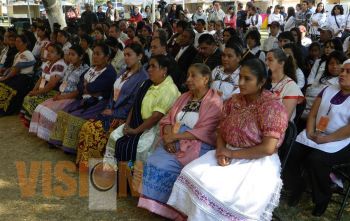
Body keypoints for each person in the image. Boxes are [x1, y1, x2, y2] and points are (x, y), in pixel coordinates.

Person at [167, 59, 288, 221]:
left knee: (224, 194)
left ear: (261, 82)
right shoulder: (234, 101)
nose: (241, 83)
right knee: (191, 173)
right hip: (228, 150)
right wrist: (221, 150)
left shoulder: (272, 107)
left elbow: (267, 148)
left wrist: (230, 153)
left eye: (248, 79)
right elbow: (220, 131)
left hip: (256, 160)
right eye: (241, 78)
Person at [138, 63, 223, 220]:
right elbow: (168, 119)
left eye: (193, 76)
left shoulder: (214, 101)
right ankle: (158, 206)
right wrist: (169, 137)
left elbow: (205, 130)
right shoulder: (185, 96)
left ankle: (173, 210)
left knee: (165, 166)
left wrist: (175, 137)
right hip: (174, 139)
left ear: (205, 79)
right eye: (188, 75)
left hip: (196, 144)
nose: (188, 79)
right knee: (153, 161)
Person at [285, 59, 350, 217]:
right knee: (291, 151)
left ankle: (322, 198)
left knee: (316, 160)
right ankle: (297, 185)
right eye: (342, 70)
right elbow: (313, 114)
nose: (342, 73)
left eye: (348, 72)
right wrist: (309, 132)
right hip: (316, 133)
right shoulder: (328, 89)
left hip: (341, 140)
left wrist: (326, 139)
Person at [76, 43, 148, 169]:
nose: (126, 58)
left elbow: (133, 103)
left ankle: (96, 166)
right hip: (110, 111)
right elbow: (112, 94)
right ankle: (85, 164)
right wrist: (108, 108)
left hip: (124, 117)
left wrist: (114, 113)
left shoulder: (142, 78)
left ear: (139, 56)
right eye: (124, 55)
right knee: (87, 126)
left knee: (93, 130)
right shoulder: (122, 71)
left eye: (129, 55)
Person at [103, 55, 180, 169]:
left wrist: (135, 131)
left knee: (140, 148)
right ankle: (115, 173)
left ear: (164, 70)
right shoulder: (146, 83)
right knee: (115, 136)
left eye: (153, 66)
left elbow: (155, 117)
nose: (149, 69)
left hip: (153, 128)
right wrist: (127, 125)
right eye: (149, 66)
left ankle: (132, 180)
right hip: (136, 122)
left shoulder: (169, 90)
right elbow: (135, 106)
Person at [49, 43, 116, 154]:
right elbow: (80, 86)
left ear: (107, 57)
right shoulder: (91, 69)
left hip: (98, 103)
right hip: (85, 99)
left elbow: (93, 87)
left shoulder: (110, 72)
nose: (94, 56)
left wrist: (87, 86)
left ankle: (70, 148)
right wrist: (87, 87)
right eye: (94, 53)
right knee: (63, 113)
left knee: (75, 118)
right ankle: (57, 141)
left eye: (98, 54)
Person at [29, 45, 90, 141]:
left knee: (47, 112)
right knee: (39, 108)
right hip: (61, 94)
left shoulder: (85, 70)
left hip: (71, 98)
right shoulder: (70, 66)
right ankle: (41, 133)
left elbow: (78, 92)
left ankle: (50, 136)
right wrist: (59, 94)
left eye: (73, 54)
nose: (69, 57)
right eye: (69, 54)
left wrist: (62, 97)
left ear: (81, 56)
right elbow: (64, 82)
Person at [20, 44, 67, 126]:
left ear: (59, 55)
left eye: (52, 52)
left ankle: (35, 123)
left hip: (54, 92)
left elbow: (52, 84)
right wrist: (34, 90)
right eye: (48, 51)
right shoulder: (49, 63)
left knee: (33, 100)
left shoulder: (59, 65)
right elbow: (41, 79)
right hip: (45, 90)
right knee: (28, 96)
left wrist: (37, 93)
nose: (48, 53)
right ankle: (30, 121)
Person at [302, 51, 346, 120]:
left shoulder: (341, 83)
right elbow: (310, 91)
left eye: (338, 63)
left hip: (317, 115)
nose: (334, 66)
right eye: (331, 63)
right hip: (305, 108)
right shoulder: (322, 75)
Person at [0, 34, 35, 116]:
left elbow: (16, 70)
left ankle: (5, 109)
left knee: (3, 85)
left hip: (23, 79)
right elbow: (13, 68)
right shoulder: (18, 54)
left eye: (19, 41)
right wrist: (5, 73)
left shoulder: (26, 54)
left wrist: (4, 78)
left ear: (25, 44)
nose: (16, 43)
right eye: (16, 41)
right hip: (17, 77)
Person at [266, 48, 304, 121]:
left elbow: (284, 119)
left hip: (277, 128)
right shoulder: (263, 81)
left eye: (270, 60)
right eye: (266, 59)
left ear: (282, 63)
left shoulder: (291, 87)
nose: (266, 63)